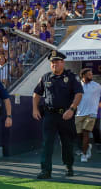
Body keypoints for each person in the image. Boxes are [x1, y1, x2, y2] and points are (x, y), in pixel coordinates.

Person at [33, 50, 83, 179]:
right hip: (49, 115)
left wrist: (72, 109)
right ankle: (45, 170)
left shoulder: (72, 77)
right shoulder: (45, 77)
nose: (54, 64)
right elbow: (37, 94)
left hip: (66, 116)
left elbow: (79, 94)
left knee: (67, 143)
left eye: (57, 62)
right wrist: (35, 109)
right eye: (52, 62)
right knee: (47, 143)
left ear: (63, 62)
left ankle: (68, 165)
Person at [75, 68, 101, 162]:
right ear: (83, 75)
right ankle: (87, 147)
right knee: (79, 134)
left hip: (91, 114)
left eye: (91, 74)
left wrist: (98, 104)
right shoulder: (77, 85)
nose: (91, 76)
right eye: (89, 74)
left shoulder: (97, 86)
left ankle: (84, 154)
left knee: (86, 133)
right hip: (79, 114)